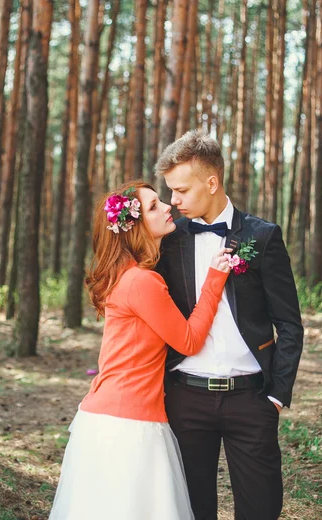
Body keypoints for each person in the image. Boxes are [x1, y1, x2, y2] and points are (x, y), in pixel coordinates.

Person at [49, 180, 231, 520]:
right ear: (135, 228)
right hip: (129, 424)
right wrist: (214, 279)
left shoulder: (127, 276)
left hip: (108, 416)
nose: (168, 207)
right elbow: (189, 342)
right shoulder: (141, 282)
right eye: (153, 206)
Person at [155, 130, 304, 520]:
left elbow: (289, 323)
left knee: (261, 508)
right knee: (190, 508)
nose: (175, 200)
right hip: (185, 397)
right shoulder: (169, 238)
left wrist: (275, 396)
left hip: (251, 399)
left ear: (212, 182)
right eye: (170, 191)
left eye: (182, 190)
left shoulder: (262, 236)